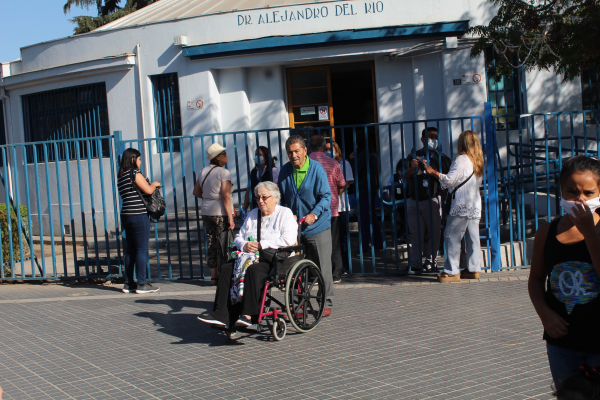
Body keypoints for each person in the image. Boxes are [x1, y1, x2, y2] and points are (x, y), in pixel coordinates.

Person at [528, 155, 600, 389]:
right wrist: (544, 314)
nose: (579, 200)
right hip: (562, 343)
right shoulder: (546, 232)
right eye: (571, 192)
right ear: (560, 190)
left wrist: (590, 233)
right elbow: (536, 279)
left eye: (588, 193)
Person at [197, 182, 297, 334]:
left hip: (273, 258)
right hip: (249, 255)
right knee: (225, 269)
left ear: (276, 197)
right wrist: (244, 245)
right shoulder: (253, 214)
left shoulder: (285, 213)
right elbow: (238, 237)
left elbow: (288, 240)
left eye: (264, 197)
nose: (260, 201)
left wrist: (261, 244)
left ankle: (248, 315)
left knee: (254, 270)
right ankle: (220, 315)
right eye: (258, 198)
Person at [278, 135, 334, 316]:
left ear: (304, 150)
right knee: (293, 267)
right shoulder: (285, 171)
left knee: (322, 266)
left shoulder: (316, 169)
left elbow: (326, 196)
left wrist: (314, 213)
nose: (293, 155)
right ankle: (296, 305)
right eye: (289, 152)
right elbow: (281, 197)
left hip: (317, 226)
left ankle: (326, 302)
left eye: (296, 151)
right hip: (294, 228)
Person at [422, 130, 484, 282]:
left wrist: (433, 172)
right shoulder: (478, 160)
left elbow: (449, 180)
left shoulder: (462, 159)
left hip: (462, 204)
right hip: (474, 204)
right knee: (473, 238)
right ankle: (473, 268)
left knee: (451, 235)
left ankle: (451, 270)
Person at [404, 127, 451, 271]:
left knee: (434, 233)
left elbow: (449, 179)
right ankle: (415, 263)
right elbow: (405, 176)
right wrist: (412, 168)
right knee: (416, 234)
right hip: (414, 200)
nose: (434, 140)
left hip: (433, 200)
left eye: (435, 137)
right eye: (430, 137)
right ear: (423, 140)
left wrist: (432, 171)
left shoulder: (442, 158)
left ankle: (431, 261)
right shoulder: (413, 156)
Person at [117, 148, 161, 294]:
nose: (140, 162)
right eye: (139, 159)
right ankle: (142, 284)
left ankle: (129, 283)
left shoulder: (121, 175)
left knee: (130, 250)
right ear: (132, 159)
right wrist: (154, 184)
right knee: (141, 249)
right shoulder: (134, 173)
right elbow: (148, 190)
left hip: (126, 215)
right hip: (138, 215)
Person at [309, 136, 346, 284]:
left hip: (311, 211)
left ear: (308, 148)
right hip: (331, 208)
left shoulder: (306, 163)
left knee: (312, 243)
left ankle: (314, 274)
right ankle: (335, 273)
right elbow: (342, 184)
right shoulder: (334, 163)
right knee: (333, 242)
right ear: (324, 148)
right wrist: (335, 193)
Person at [198, 143, 234, 286]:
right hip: (220, 213)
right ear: (218, 157)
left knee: (212, 243)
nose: (226, 156)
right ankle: (226, 275)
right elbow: (225, 195)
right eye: (224, 154)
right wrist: (230, 217)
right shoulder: (223, 172)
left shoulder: (204, 171)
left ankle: (214, 277)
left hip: (206, 211)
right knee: (224, 244)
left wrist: (209, 197)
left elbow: (196, 192)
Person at [327, 141, 355, 275]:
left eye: (330, 149)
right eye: (325, 149)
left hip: (341, 206)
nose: (328, 151)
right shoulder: (321, 164)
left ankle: (346, 265)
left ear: (336, 150)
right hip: (328, 208)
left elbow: (347, 184)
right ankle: (333, 267)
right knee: (331, 239)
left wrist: (331, 195)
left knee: (343, 238)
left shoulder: (344, 164)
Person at [356, 137, 384, 253]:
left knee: (364, 218)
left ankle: (364, 247)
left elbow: (356, 170)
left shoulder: (363, 155)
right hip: (370, 188)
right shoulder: (372, 154)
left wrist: (353, 160)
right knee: (371, 216)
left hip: (364, 189)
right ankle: (378, 243)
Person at [242, 146, 279, 214]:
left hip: (269, 207)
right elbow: (248, 191)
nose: (257, 157)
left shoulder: (273, 171)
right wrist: (244, 208)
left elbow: (276, 190)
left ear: (266, 156)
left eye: (260, 155)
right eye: (256, 155)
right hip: (255, 207)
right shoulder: (252, 172)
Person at [385, 158, 407, 240]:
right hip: (397, 204)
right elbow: (388, 192)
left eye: (404, 170)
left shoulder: (409, 177)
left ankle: (404, 236)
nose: (401, 172)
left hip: (408, 204)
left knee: (407, 221)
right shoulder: (393, 178)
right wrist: (392, 201)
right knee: (397, 221)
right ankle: (397, 238)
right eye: (400, 170)